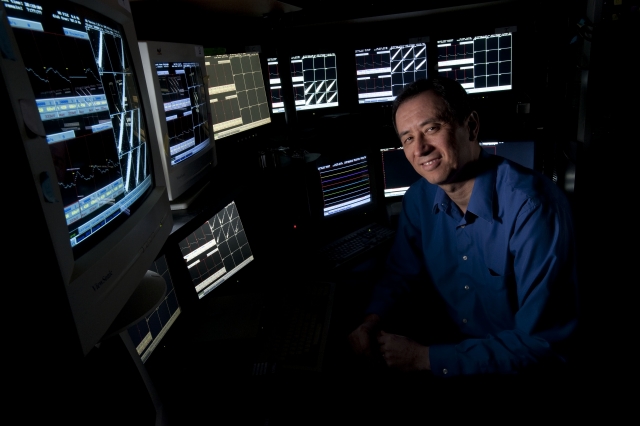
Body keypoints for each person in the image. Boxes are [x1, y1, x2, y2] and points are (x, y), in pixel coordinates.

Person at [348, 77, 579, 377]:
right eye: (407, 138)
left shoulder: (534, 210)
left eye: (431, 128)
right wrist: (371, 321)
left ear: (470, 126)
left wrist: (424, 358)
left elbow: (544, 344)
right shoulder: (418, 199)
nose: (420, 149)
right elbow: (401, 275)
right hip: (452, 353)